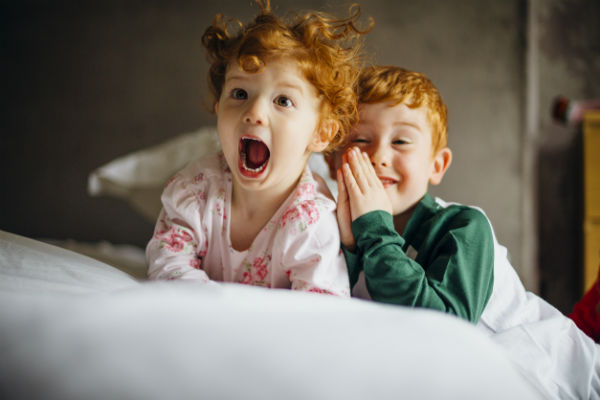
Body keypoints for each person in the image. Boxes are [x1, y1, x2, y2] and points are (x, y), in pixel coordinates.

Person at [327, 65, 600, 398]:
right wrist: (351, 246)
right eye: (360, 140)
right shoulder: (333, 227)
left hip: (543, 369)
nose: (378, 156)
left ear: (436, 165)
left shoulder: (464, 225)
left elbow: (444, 330)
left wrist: (374, 231)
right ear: (333, 160)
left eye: (401, 141)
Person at [146, 0, 371, 296]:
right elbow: (167, 264)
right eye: (240, 93)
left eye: (283, 101)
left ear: (320, 133)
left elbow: (319, 308)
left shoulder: (311, 220)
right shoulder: (197, 189)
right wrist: (213, 306)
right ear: (218, 108)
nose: (254, 112)